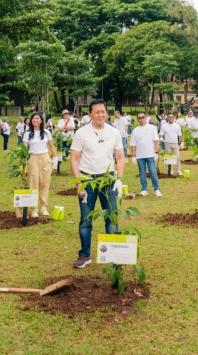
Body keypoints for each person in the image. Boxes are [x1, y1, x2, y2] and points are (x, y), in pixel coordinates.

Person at [69, 99, 125, 269]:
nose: (101, 115)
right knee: (86, 219)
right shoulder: (81, 133)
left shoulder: (114, 132)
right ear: (90, 114)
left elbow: (120, 157)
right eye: (97, 112)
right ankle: (84, 255)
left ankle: (112, 254)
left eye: (103, 111)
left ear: (107, 114)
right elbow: (74, 158)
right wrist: (79, 183)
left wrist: (119, 180)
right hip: (87, 181)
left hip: (108, 180)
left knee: (111, 217)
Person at [23, 113, 58, 217]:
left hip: (45, 157)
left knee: (45, 182)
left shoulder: (47, 132)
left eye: (37, 118)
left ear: (41, 120)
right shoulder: (28, 133)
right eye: (33, 118)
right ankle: (34, 208)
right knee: (33, 182)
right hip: (33, 158)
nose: (35, 120)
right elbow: (24, 147)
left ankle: (43, 206)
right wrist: (23, 161)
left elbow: (51, 145)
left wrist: (55, 157)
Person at [131, 112, 161, 197]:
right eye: (139, 118)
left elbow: (156, 140)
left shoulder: (151, 128)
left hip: (150, 154)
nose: (141, 119)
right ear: (137, 120)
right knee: (142, 173)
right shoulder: (135, 130)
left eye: (143, 117)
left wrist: (156, 152)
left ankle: (157, 189)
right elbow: (133, 144)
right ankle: (144, 189)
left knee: (152, 172)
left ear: (145, 118)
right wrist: (133, 155)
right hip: (140, 156)